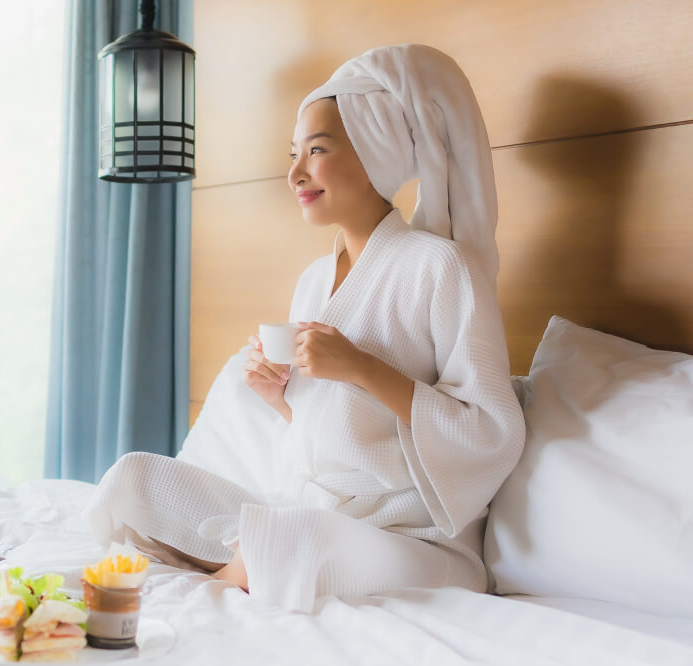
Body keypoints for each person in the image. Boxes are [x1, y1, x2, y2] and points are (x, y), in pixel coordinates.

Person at [83, 44, 525, 612]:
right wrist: (282, 400)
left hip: (411, 540)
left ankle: (238, 565)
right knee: (132, 479)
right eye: (294, 154)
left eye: (316, 151)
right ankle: (246, 563)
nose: (295, 173)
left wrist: (360, 367)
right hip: (313, 511)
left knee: (293, 540)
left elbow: (490, 432)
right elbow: (333, 434)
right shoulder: (315, 280)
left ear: (374, 152)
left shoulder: (443, 267)